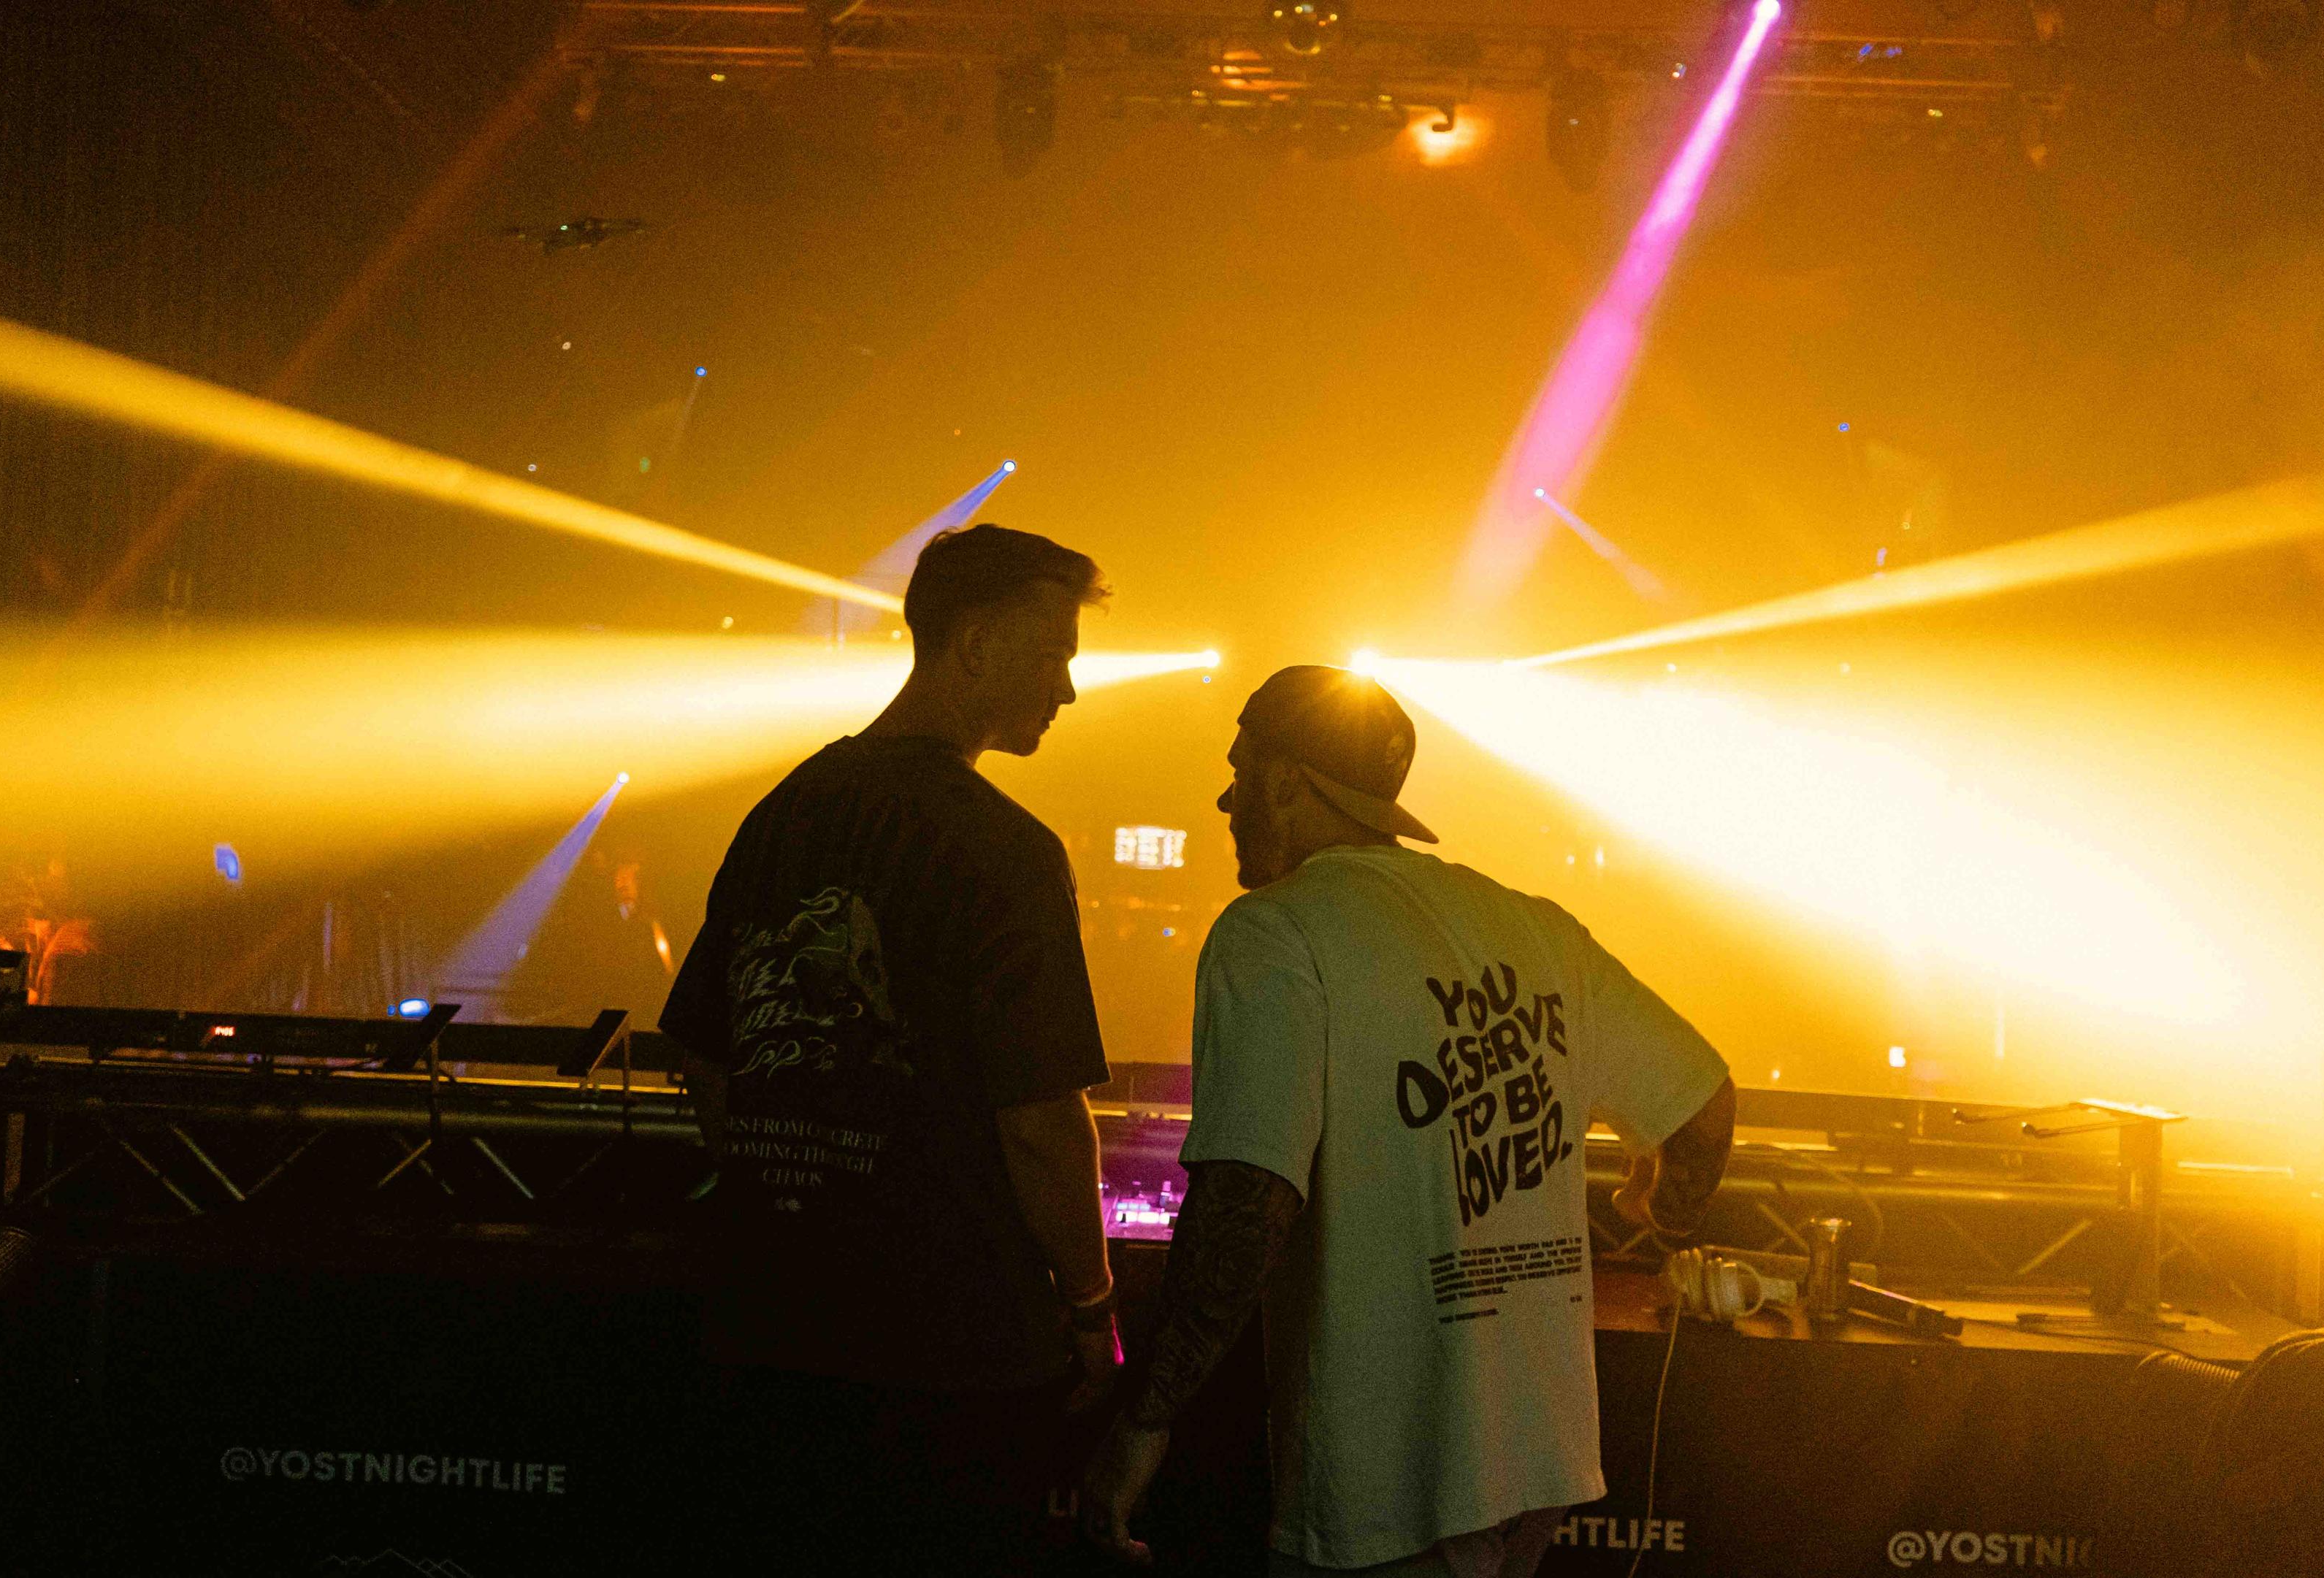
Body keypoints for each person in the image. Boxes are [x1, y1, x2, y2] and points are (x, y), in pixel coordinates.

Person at [1082, 664, 1737, 1577]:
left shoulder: (1275, 931)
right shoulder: (1538, 928)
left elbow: (1246, 1200)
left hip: (1389, 1481)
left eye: (1238, 770)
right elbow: (1703, 1111)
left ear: (1283, 781)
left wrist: (1145, 1419)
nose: (1226, 797)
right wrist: (1664, 1215)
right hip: (1534, 1463)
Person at [660, 524, 1123, 1575]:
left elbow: (705, 1056)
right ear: (975, 644)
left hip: (767, 1332)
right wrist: (1095, 1307)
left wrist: (792, 1179)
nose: (1071, 687)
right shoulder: (1006, 849)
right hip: (950, 1363)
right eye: (1055, 653)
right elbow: (1042, 1123)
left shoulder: (786, 810)